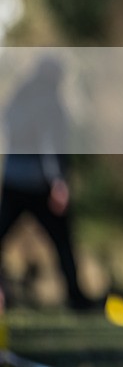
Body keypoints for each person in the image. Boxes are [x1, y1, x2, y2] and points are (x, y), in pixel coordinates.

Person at [0, 57, 93, 310]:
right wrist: (58, 182)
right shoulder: (49, 102)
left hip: (12, 179)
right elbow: (49, 143)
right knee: (62, 242)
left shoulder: (17, 98)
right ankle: (76, 297)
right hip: (40, 184)